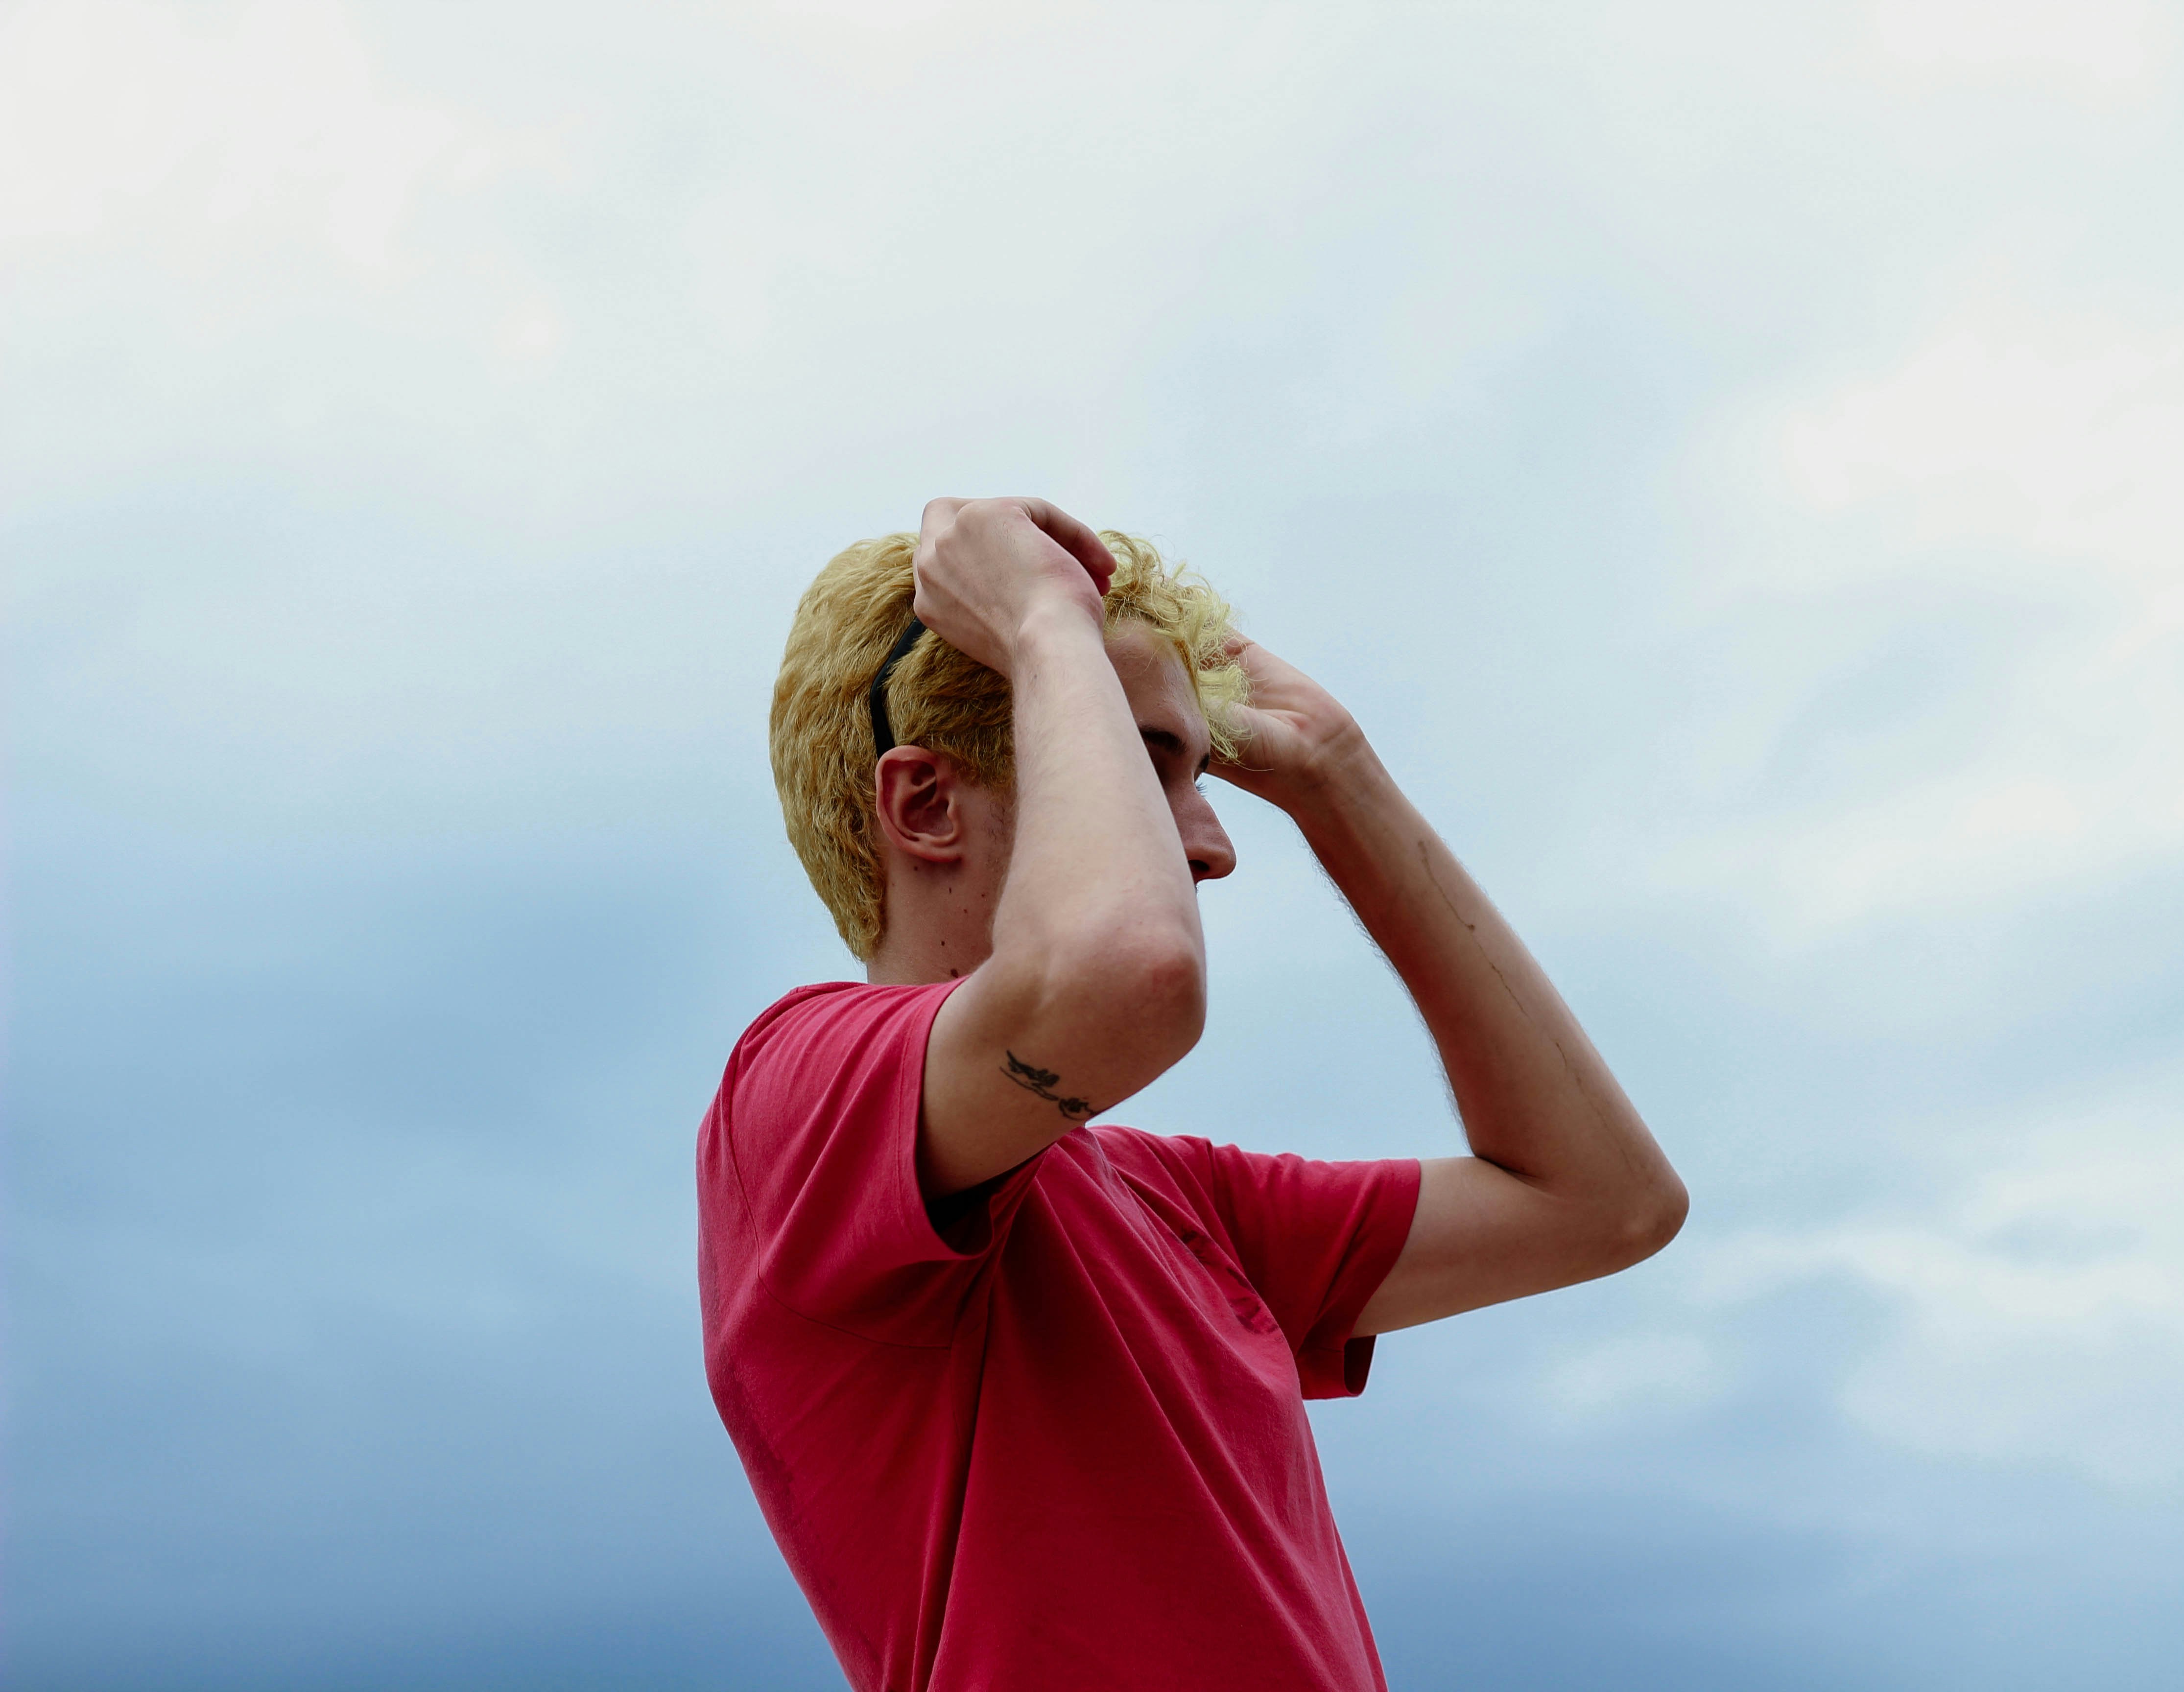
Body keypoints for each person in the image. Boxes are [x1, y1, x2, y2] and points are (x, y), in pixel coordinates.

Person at [698, 496, 1686, 1692]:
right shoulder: (800, 1093)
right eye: (1149, 763)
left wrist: (1339, 777)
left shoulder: (1176, 1202)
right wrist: (1044, 620)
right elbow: (1126, 983)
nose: (1215, 845)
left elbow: (1607, 1201)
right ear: (925, 806)